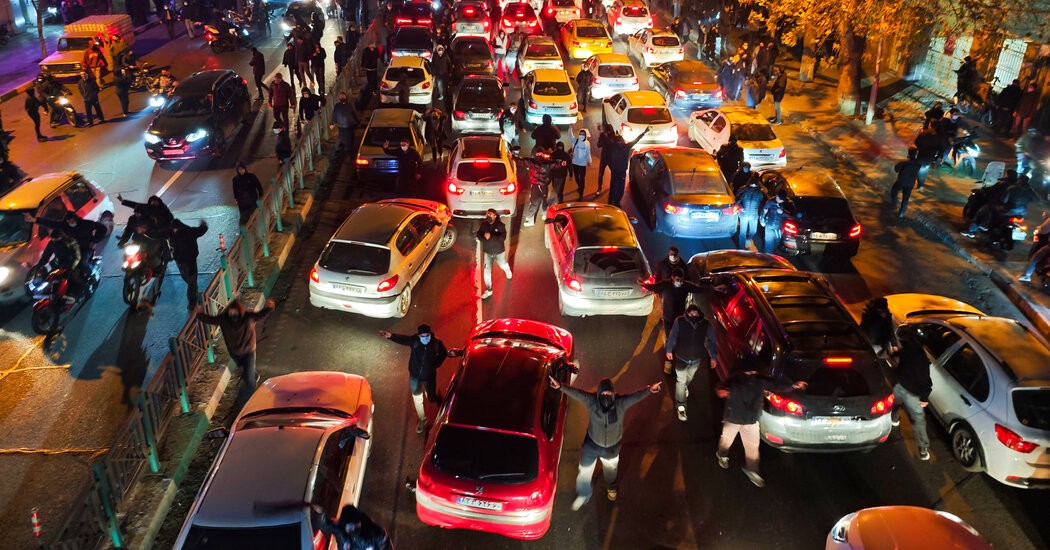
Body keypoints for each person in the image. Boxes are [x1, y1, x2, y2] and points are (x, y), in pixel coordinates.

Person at [549, 376, 662, 509]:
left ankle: (611, 487)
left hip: (612, 449)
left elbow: (635, 397)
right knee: (584, 470)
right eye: (603, 393)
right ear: (598, 394)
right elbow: (577, 394)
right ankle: (584, 493)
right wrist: (560, 387)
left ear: (613, 393)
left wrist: (649, 390)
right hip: (591, 446)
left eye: (609, 393)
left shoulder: (621, 403)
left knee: (610, 471)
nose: (606, 396)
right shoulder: (592, 401)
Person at [715, 358, 807, 487]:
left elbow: (777, 386)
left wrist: (793, 385)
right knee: (734, 442)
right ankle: (723, 455)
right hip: (742, 420)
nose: (751, 373)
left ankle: (750, 468)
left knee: (748, 446)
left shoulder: (744, 379)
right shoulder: (750, 380)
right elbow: (777, 386)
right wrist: (793, 385)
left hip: (742, 419)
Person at [379, 324, 462, 433]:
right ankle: (423, 419)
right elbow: (403, 339)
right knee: (417, 399)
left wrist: (435, 365)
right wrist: (390, 336)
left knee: (431, 397)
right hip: (415, 377)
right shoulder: (415, 341)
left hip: (429, 377)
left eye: (427, 335)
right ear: (418, 336)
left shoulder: (436, 343)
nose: (425, 338)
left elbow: (443, 354)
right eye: (422, 336)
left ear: (430, 334)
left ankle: (434, 397)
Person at [195, 298, 276, 405]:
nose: (233, 314)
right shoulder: (226, 319)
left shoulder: (246, 318)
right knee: (245, 370)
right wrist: (199, 314)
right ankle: (252, 375)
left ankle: (250, 403)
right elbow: (209, 319)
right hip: (236, 353)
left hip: (247, 352)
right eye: (231, 312)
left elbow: (261, 315)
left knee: (249, 381)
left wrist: (269, 307)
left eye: (234, 312)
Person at [666, 304, 715, 421]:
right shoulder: (679, 321)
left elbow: (711, 341)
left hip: (696, 359)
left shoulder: (705, 324)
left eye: (695, 314)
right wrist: (669, 349)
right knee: (681, 381)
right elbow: (673, 336)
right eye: (691, 314)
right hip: (681, 358)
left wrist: (713, 356)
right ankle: (681, 406)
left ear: (699, 314)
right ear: (687, 313)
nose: (693, 316)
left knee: (689, 377)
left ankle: (684, 388)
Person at [891, 325, 933, 461]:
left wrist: (924, 397)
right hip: (906, 388)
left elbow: (924, 379)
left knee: (898, 405)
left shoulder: (917, 356)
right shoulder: (911, 347)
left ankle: (894, 420)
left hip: (907, 390)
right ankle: (923, 450)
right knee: (918, 420)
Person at [642, 267, 703, 348]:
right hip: (668, 318)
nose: (679, 282)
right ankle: (669, 350)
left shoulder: (686, 286)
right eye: (677, 279)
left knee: (679, 337)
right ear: (672, 277)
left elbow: (699, 289)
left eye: (681, 280)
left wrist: (713, 288)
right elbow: (654, 287)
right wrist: (643, 284)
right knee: (670, 337)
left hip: (680, 318)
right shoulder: (666, 285)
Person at [517, 146, 564, 226]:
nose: (539, 155)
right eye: (538, 154)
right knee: (535, 202)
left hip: (542, 186)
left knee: (541, 201)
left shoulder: (545, 163)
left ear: (543, 154)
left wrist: (561, 163)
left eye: (540, 154)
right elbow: (522, 161)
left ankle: (536, 217)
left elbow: (555, 164)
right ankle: (535, 217)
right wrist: (512, 157)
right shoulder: (533, 162)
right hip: (536, 186)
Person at [313, 504, 393, 550]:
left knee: (327, 526)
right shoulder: (380, 537)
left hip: (351, 534)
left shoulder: (377, 539)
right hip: (351, 524)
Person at [33, 231, 84, 302]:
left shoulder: (70, 242)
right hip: (61, 264)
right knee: (51, 277)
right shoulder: (52, 243)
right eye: (53, 240)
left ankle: (81, 292)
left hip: (74, 264)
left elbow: (77, 257)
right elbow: (45, 257)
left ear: (61, 237)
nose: (55, 241)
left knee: (72, 277)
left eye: (56, 240)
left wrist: (70, 269)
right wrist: (38, 268)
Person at [170, 219, 208, 309]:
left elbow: (173, 248)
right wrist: (203, 225)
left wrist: (173, 256)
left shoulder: (174, 236)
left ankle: (192, 302)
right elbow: (201, 230)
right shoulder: (190, 231)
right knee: (191, 280)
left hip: (182, 262)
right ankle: (193, 294)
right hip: (189, 261)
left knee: (189, 280)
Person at [607, 129, 650, 207]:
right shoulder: (626, 147)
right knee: (620, 188)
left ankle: (610, 201)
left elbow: (608, 145)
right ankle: (617, 202)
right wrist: (644, 133)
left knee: (613, 186)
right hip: (622, 171)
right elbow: (635, 140)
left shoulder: (612, 146)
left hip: (614, 170)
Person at [476, 209, 513, 299]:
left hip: (499, 252)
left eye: (490, 214)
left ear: (495, 216)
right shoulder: (484, 225)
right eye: (487, 214)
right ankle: (489, 290)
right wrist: (483, 237)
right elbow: (479, 234)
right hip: (488, 252)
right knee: (486, 272)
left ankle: (507, 270)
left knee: (502, 265)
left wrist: (491, 236)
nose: (488, 216)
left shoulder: (500, 225)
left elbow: (503, 238)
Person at [735, 175, 765, 248]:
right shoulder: (744, 190)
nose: (753, 185)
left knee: (753, 231)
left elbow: (761, 203)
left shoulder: (760, 192)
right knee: (742, 233)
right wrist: (741, 207)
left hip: (754, 215)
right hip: (744, 215)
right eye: (752, 184)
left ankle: (747, 238)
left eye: (755, 184)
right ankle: (741, 248)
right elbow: (737, 201)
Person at [890, 147, 921, 218]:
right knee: (905, 199)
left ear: (908, 153)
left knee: (893, 192)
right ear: (916, 154)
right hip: (910, 184)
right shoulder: (918, 164)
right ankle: (901, 213)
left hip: (901, 182)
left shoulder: (904, 162)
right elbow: (918, 175)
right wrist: (919, 184)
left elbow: (896, 169)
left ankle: (894, 205)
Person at [570, 129, 591, 200]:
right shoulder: (576, 141)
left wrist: (589, 161)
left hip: (582, 164)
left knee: (582, 179)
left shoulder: (587, 143)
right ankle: (579, 186)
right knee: (576, 177)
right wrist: (570, 128)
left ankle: (581, 195)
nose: (581, 135)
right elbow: (571, 136)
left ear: (585, 135)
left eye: (583, 134)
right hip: (575, 163)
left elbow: (588, 153)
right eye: (580, 134)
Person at [595, 124, 614, 194]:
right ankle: (599, 188)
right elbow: (598, 145)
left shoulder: (613, 136)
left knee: (613, 173)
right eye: (607, 131)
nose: (608, 132)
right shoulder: (602, 135)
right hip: (604, 158)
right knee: (600, 174)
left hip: (611, 158)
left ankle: (612, 187)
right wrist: (604, 139)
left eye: (609, 131)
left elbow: (615, 145)